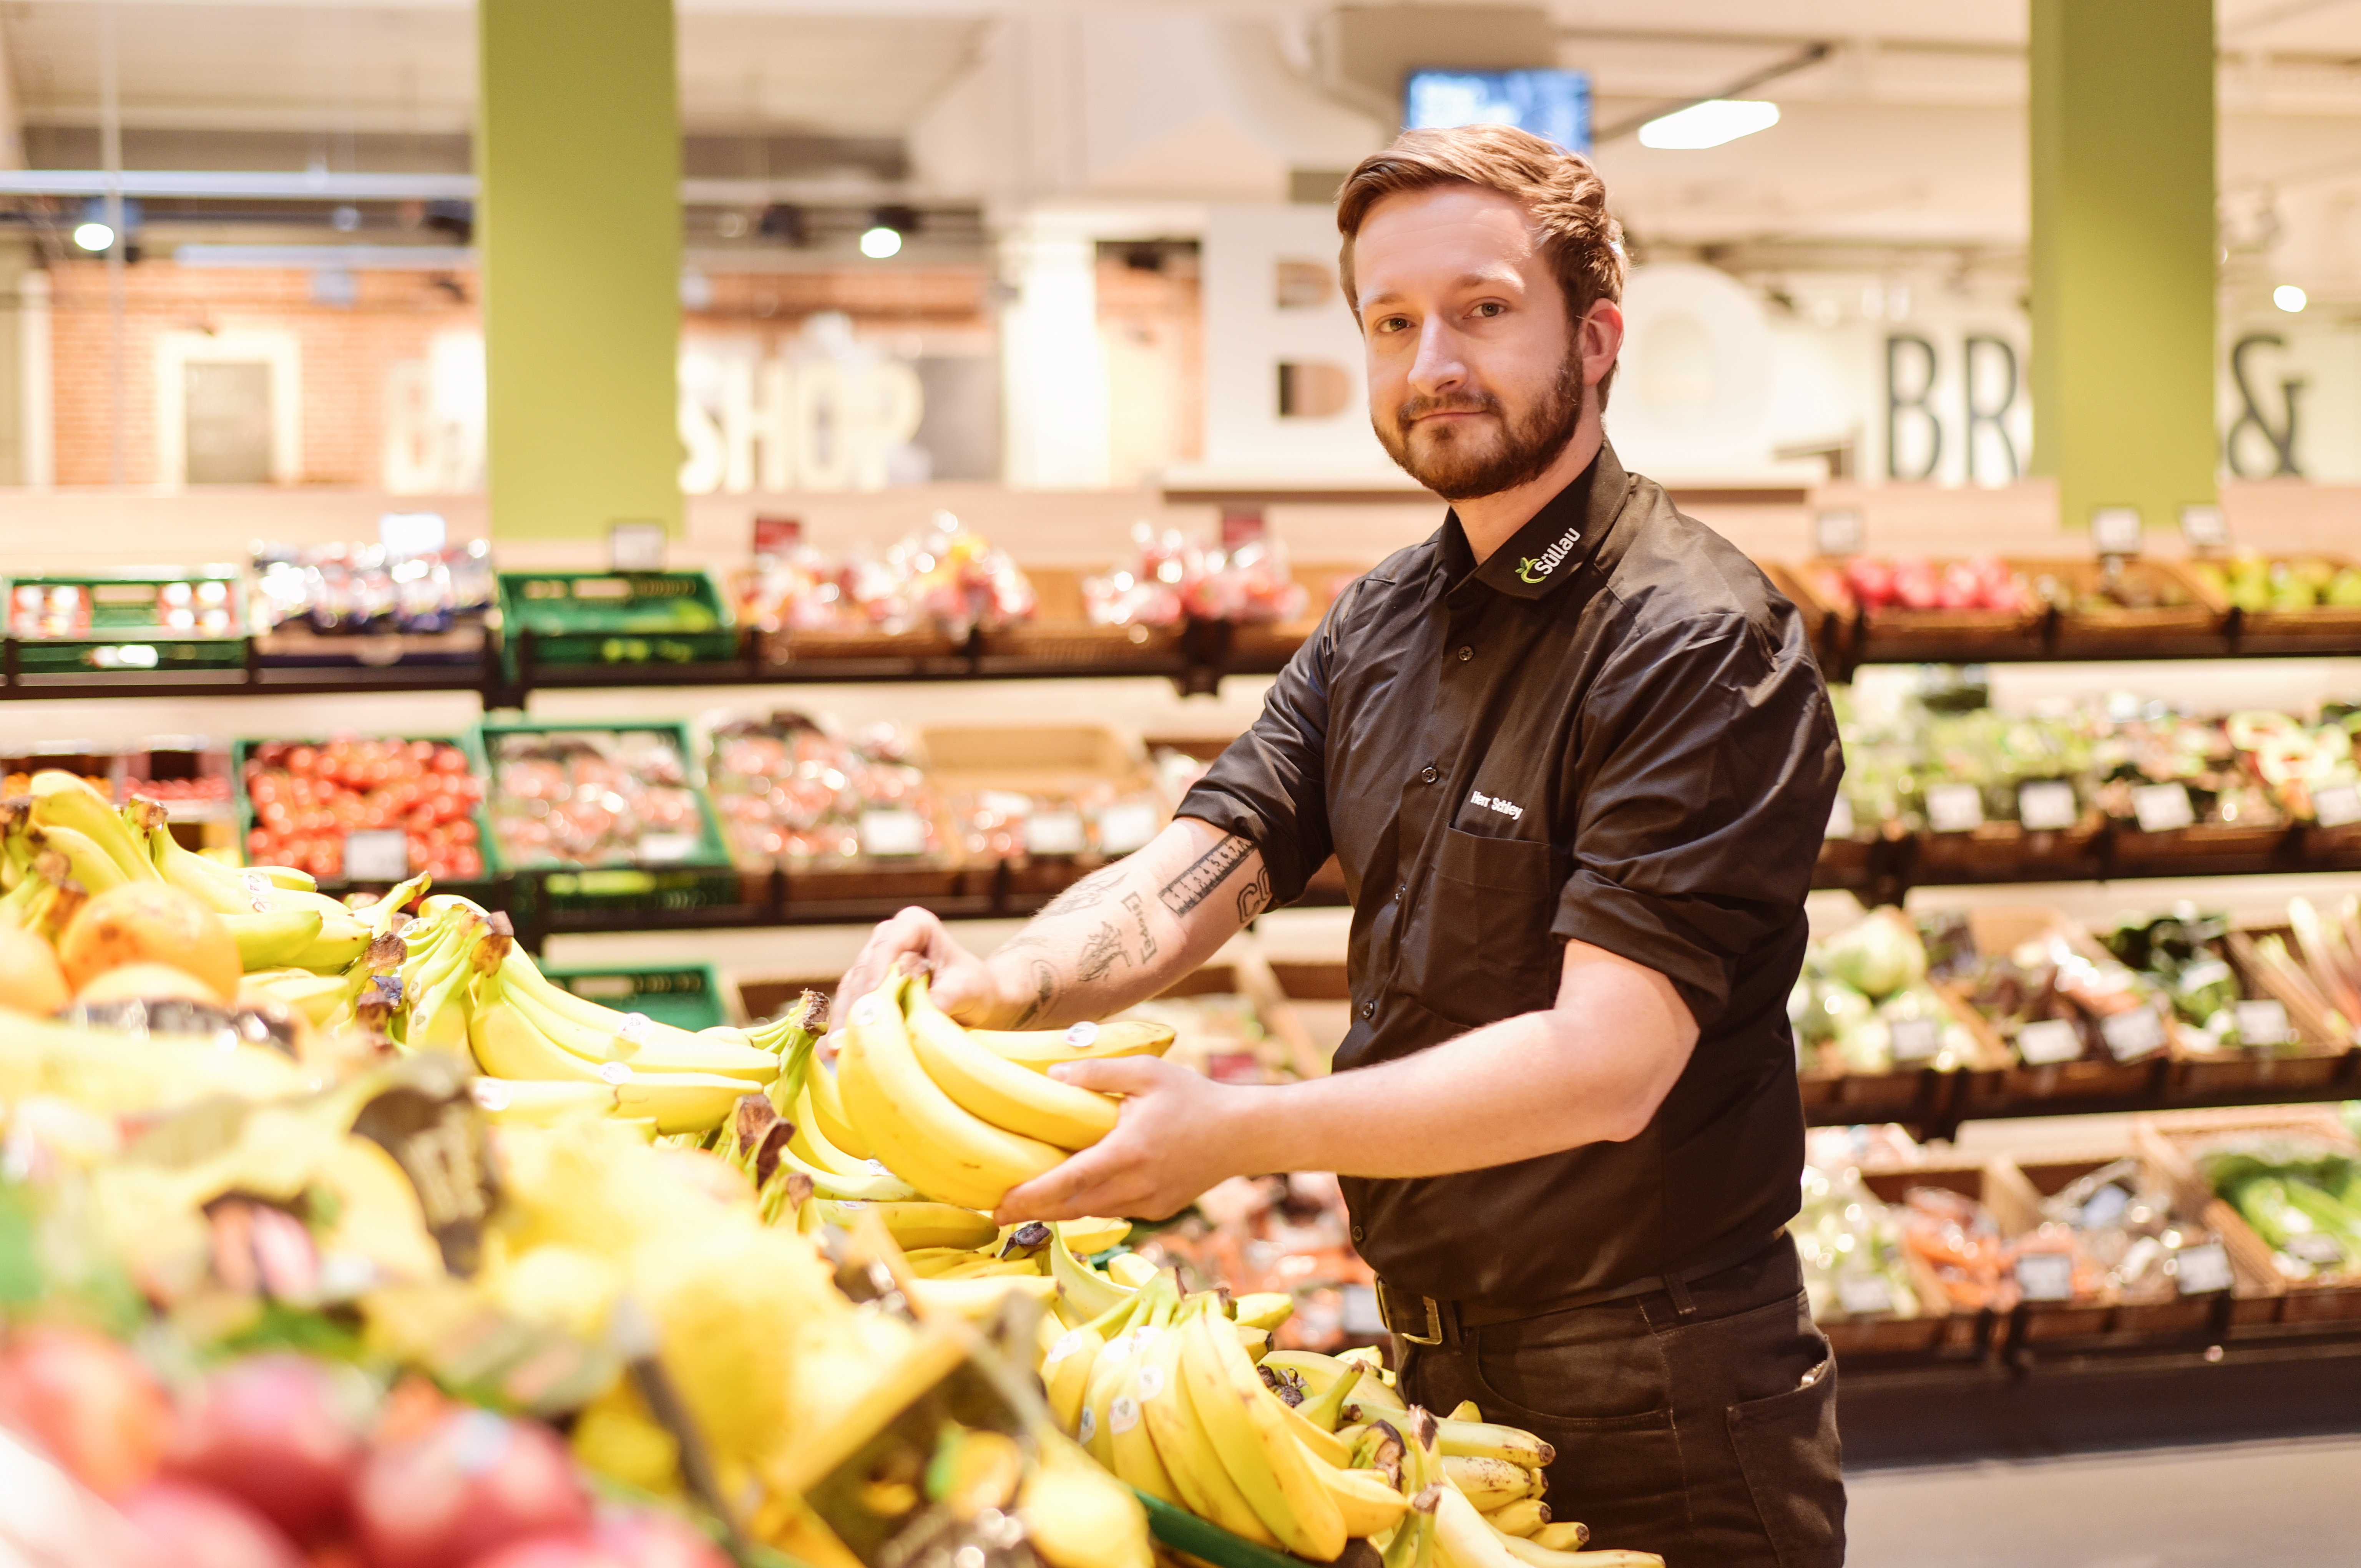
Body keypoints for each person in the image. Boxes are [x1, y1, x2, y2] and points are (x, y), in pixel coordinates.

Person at [836, 124, 1845, 1568]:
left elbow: (1607, 1067)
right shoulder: (1384, 620)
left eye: (1484, 311)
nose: (1434, 358)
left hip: (1663, 1388)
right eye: (1392, 322)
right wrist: (1003, 982)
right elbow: (1215, 854)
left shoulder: (1698, 643)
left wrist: (1238, 1132)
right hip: (1431, 1369)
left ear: (1599, 337)